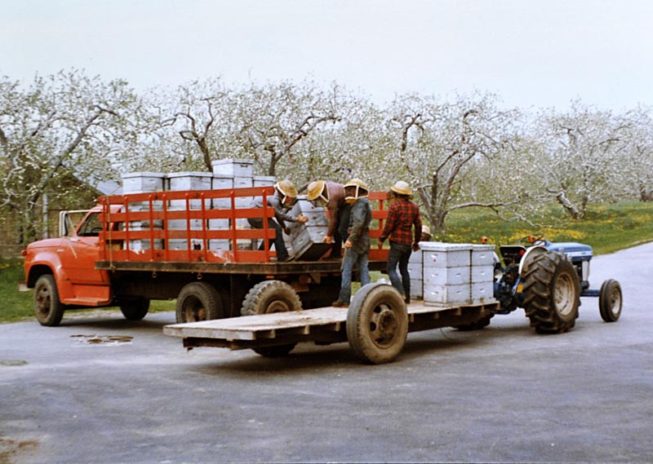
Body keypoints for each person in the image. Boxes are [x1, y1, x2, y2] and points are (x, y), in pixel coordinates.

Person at [379, 180, 422, 304]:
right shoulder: (414, 207)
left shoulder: (395, 207)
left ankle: (400, 293)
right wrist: (416, 242)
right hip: (407, 243)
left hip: (396, 242)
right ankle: (407, 297)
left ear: (396, 193)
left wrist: (382, 238)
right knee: (404, 269)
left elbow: (389, 226)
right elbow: (418, 226)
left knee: (391, 268)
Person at [332, 178, 372, 308]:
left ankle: (344, 299)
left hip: (356, 241)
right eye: (347, 189)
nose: (348, 192)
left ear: (358, 191)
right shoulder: (365, 204)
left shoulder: (359, 205)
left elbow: (358, 224)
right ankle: (368, 298)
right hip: (365, 240)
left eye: (351, 190)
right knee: (363, 269)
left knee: (346, 269)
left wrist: (350, 240)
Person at [248, 180, 308, 261]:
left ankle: (260, 254)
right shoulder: (275, 200)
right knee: (275, 230)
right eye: (290, 198)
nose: (290, 201)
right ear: (284, 195)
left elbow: (277, 215)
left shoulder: (276, 197)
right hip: (255, 216)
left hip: (260, 215)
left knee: (273, 232)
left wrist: (284, 227)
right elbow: (281, 215)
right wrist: (297, 219)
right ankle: (283, 257)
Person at [306, 180, 346, 258]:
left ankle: (350, 252)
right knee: (336, 228)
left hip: (349, 204)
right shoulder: (326, 186)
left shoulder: (332, 197)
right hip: (341, 204)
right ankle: (336, 253)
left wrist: (328, 235)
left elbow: (333, 220)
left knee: (342, 228)